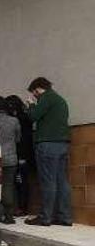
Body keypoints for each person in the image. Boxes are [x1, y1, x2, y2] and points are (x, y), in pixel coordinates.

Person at [24, 77, 72, 227]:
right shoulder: (61, 100)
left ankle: (46, 217)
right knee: (62, 181)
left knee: (48, 181)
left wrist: (31, 105)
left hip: (47, 144)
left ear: (37, 89)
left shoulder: (46, 98)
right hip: (62, 144)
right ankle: (64, 217)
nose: (34, 96)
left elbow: (33, 117)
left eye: (34, 93)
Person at [0, 96, 21, 224]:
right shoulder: (14, 121)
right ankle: (9, 214)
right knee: (9, 185)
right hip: (11, 158)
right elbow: (18, 139)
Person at [6, 95, 34, 214]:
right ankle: (21, 207)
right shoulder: (22, 117)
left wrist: (22, 156)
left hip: (21, 155)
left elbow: (22, 139)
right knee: (20, 181)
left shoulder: (20, 119)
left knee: (21, 181)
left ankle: (22, 208)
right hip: (22, 154)